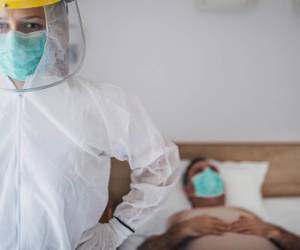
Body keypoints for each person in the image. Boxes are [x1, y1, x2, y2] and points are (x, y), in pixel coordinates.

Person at [0, 1, 179, 250]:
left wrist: (119, 229)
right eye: (1, 25)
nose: (14, 38)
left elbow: (161, 164)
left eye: (32, 25)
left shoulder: (100, 103)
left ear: (58, 28)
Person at [138, 158, 300, 250]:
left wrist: (273, 231)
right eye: (199, 171)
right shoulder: (181, 219)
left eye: (214, 171)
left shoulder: (246, 212)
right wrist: (183, 230)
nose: (208, 174)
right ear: (188, 189)